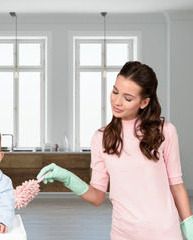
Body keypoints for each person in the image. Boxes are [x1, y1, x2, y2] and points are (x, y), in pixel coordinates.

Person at [37, 61, 193, 239]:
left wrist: (189, 225)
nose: (117, 102)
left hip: (165, 232)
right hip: (123, 233)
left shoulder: (165, 131)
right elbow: (97, 197)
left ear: (144, 102)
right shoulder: (101, 138)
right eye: (115, 91)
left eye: (127, 98)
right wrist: (68, 178)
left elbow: (177, 186)